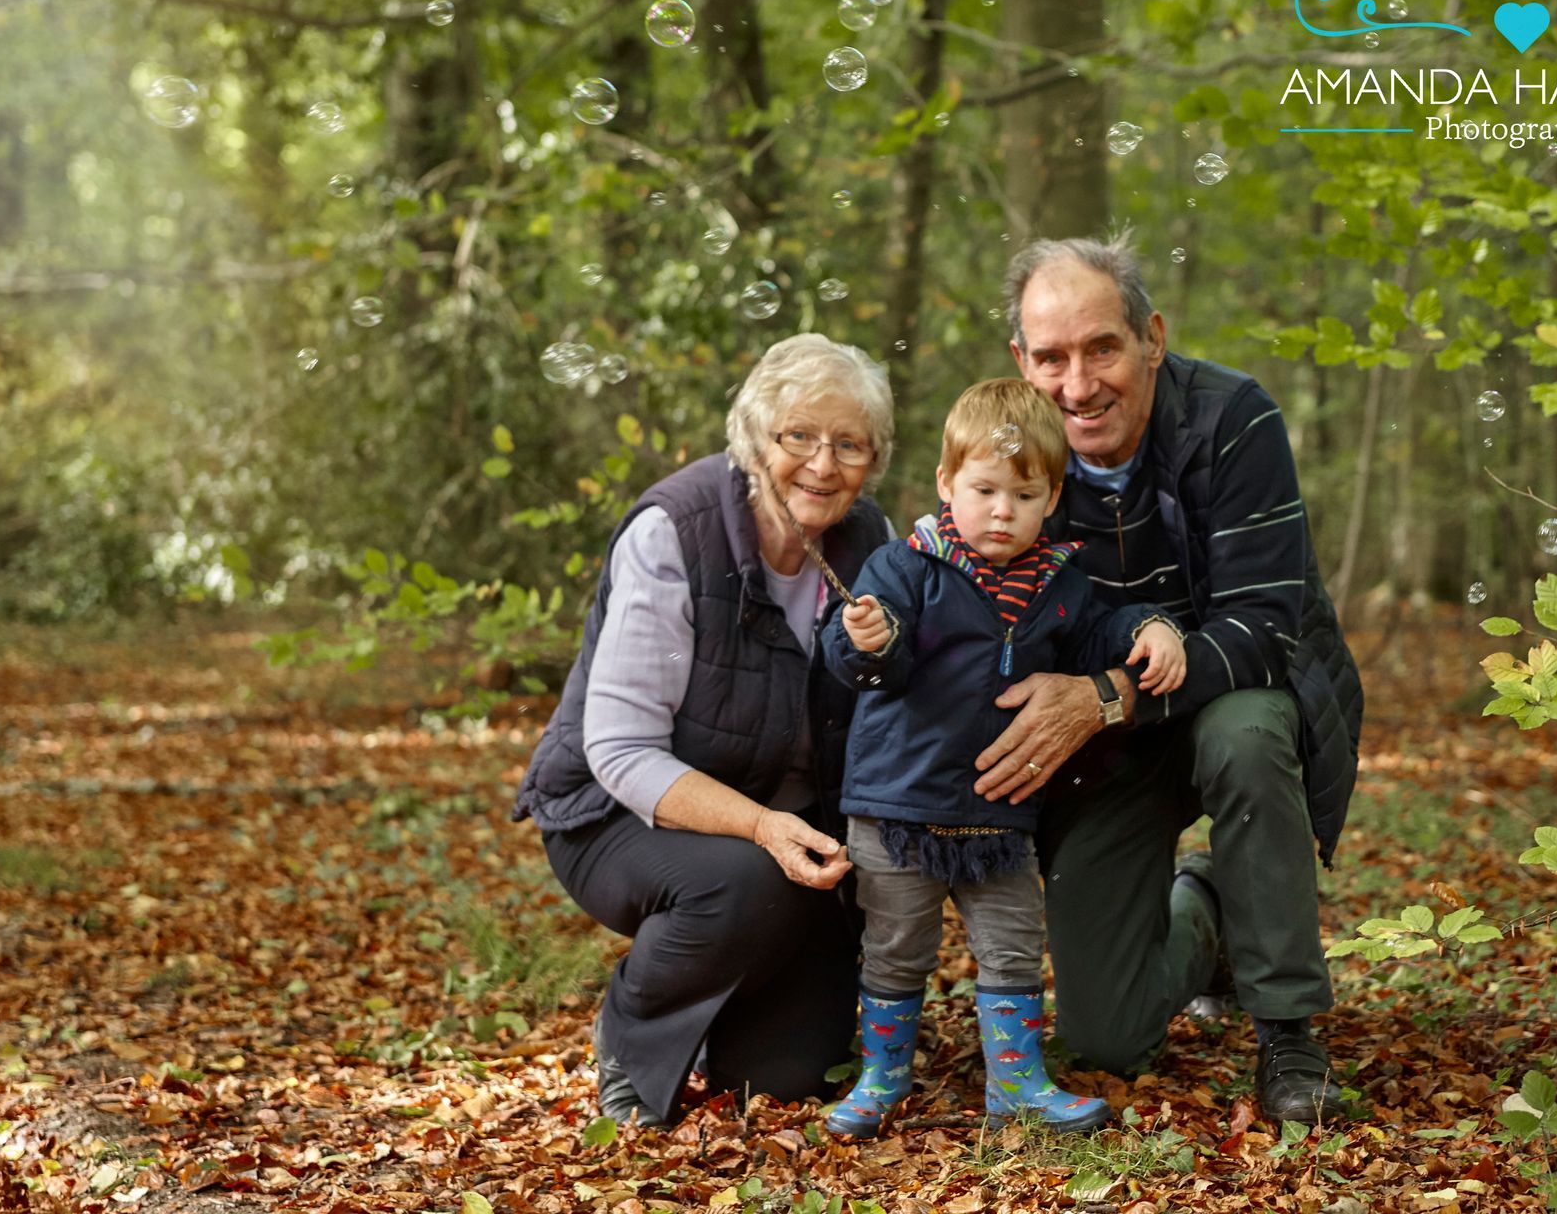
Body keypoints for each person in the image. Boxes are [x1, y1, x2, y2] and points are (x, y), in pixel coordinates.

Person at [972, 235, 1365, 1124]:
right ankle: (1212, 903)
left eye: (1102, 348)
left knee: (1249, 732)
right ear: (1021, 361)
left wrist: (1106, 692)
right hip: (1107, 754)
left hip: (1226, 702)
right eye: (1052, 358)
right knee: (1105, 1038)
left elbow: (1267, 631)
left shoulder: (1234, 418)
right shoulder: (1009, 460)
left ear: (1151, 335)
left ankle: (1288, 1030)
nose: (1078, 386)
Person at [512, 333, 895, 1126]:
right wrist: (762, 827)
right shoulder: (675, 532)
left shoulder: (872, 543)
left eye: (849, 444)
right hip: (615, 814)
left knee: (790, 1082)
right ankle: (633, 1038)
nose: (824, 465)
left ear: (874, 459)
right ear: (755, 438)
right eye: (799, 437)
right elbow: (617, 750)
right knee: (742, 879)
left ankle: (730, 1013)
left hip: (776, 822)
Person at [816, 379, 1188, 1139]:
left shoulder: (1060, 584)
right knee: (895, 950)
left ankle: (1015, 1082)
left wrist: (1151, 626)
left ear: (1051, 498)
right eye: (983, 490)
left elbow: (1097, 640)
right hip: (898, 809)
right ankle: (882, 1076)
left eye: (1022, 495)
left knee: (1012, 948)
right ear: (948, 485)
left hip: (998, 816)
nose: (1000, 511)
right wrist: (868, 639)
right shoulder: (905, 569)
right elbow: (862, 664)